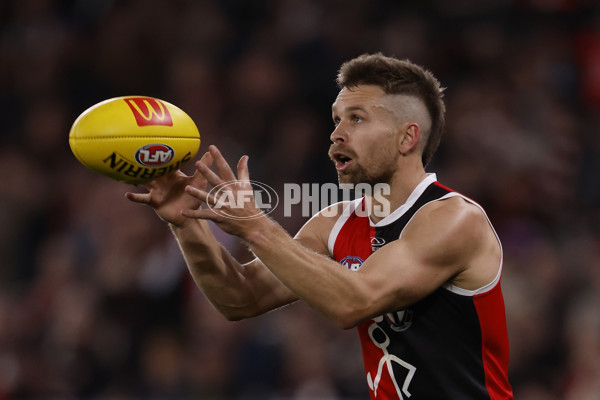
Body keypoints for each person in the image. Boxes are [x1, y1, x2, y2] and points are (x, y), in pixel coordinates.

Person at [126, 53, 513, 399]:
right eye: (336, 119)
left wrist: (255, 226)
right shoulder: (336, 222)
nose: (336, 133)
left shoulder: (455, 218)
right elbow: (240, 298)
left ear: (407, 137)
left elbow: (354, 302)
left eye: (357, 118)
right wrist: (186, 223)